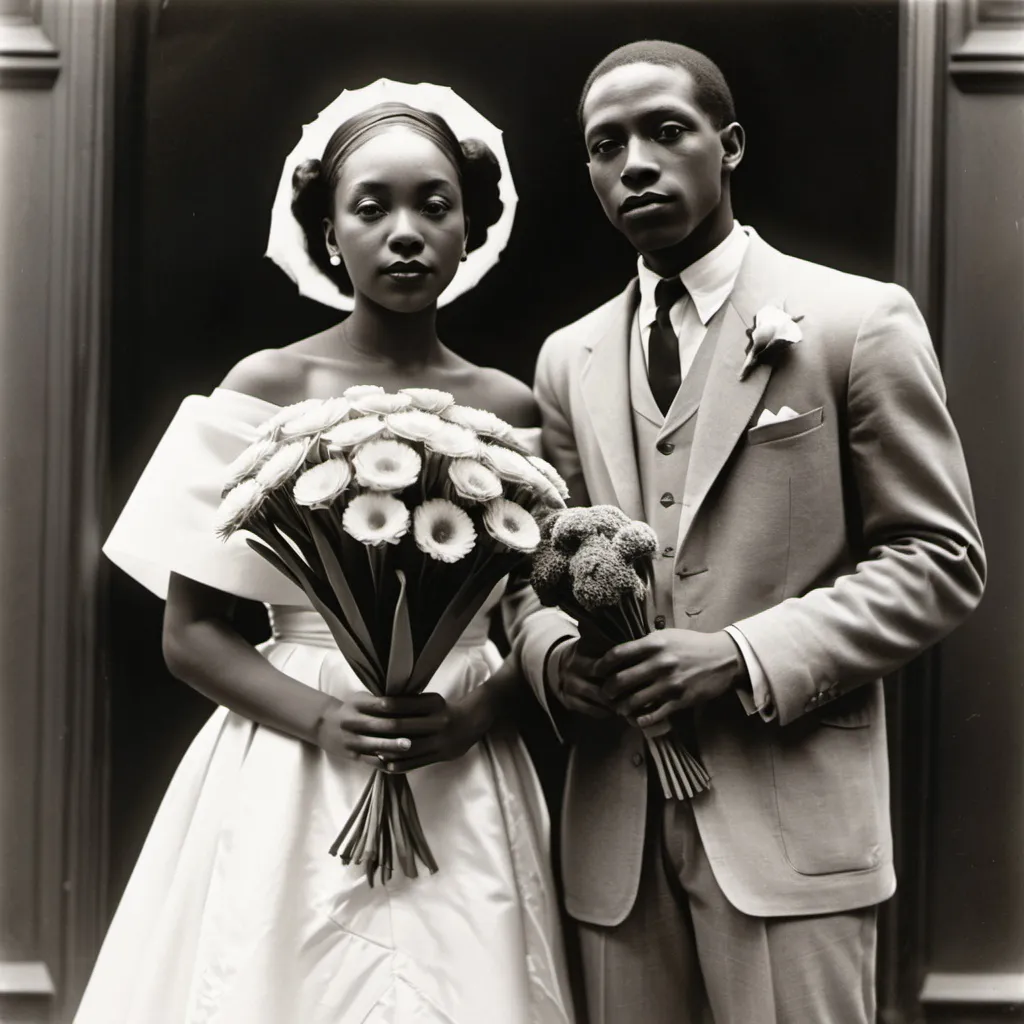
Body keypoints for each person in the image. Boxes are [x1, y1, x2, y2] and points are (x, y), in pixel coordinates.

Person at [76, 80, 574, 1024]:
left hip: (453, 747)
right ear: (330, 231)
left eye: (434, 205)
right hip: (294, 753)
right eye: (372, 206)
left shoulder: (512, 407)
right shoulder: (268, 384)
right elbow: (190, 636)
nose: (406, 232)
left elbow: (533, 611)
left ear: (470, 229)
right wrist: (320, 722)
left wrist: (481, 711)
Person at [514, 40, 986, 1024]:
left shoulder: (855, 321)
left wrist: (738, 654)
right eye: (607, 145)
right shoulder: (568, 359)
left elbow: (939, 559)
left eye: (665, 131)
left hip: (788, 825)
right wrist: (558, 659)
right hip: (615, 840)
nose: (634, 161)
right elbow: (535, 569)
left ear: (727, 147)